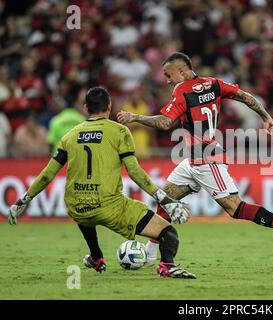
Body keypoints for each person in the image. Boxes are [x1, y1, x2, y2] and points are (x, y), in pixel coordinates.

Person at [117, 52, 273, 261]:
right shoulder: (214, 84)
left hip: (207, 160)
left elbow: (164, 122)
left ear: (182, 71)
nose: (168, 81)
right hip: (193, 160)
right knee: (166, 199)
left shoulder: (182, 91)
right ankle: (150, 255)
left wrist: (135, 117)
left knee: (236, 208)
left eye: (169, 76)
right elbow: (246, 97)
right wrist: (267, 117)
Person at [8, 87, 196, 279]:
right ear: (109, 106)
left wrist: (23, 200)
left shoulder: (70, 136)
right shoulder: (119, 131)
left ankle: (96, 256)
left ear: (85, 108)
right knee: (168, 232)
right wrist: (166, 201)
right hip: (109, 207)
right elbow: (135, 172)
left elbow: (48, 174)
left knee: (83, 207)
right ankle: (167, 266)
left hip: (77, 207)